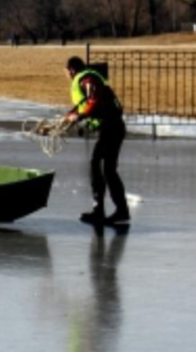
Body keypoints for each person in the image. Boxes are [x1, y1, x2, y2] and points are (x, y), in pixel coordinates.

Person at [64, 57, 130, 226]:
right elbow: (86, 103)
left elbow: (94, 99)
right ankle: (104, 210)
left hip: (112, 128)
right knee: (102, 168)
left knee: (104, 168)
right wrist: (73, 116)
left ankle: (114, 210)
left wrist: (80, 116)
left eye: (67, 72)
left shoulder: (86, 79)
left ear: (71, 70)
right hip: (111, 128)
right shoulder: (88, 78)